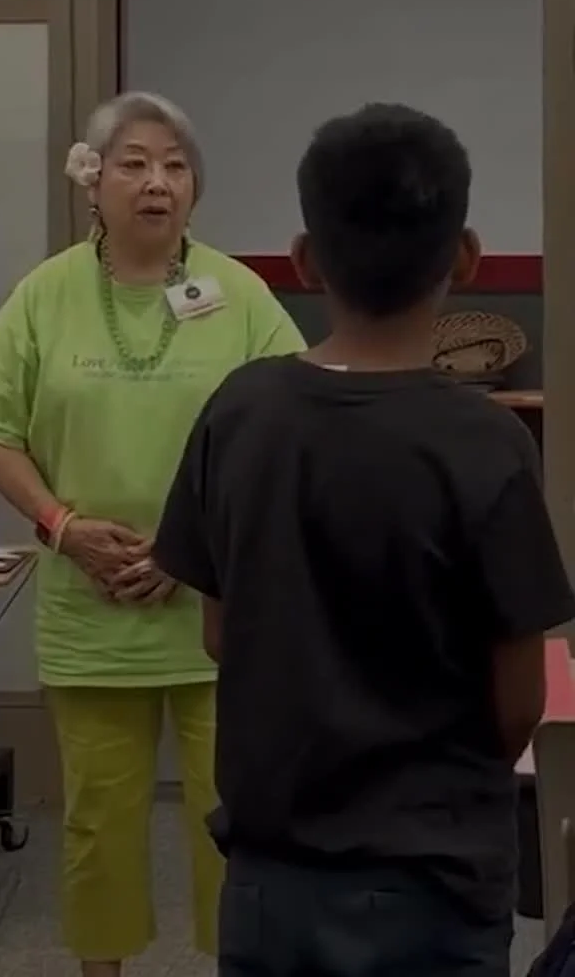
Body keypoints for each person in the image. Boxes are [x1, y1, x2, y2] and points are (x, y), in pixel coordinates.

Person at [153, 103, 575, 977]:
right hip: (435, 878)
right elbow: (518, 697)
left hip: (272, 877)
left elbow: (221, 635)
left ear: (305, 260)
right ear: (467, 256)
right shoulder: (488, 441)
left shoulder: (239, 413)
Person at [0, 91, 305, 977]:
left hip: (217, 612)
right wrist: (61, 525)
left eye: (176, 166)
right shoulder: (46, 293)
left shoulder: (238, 293)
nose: (157, 182)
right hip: (90, 608)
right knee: (97, 823)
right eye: (135, 163)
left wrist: (195, 546)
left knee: (240, 819)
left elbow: (292, 428)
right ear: (92, 181)